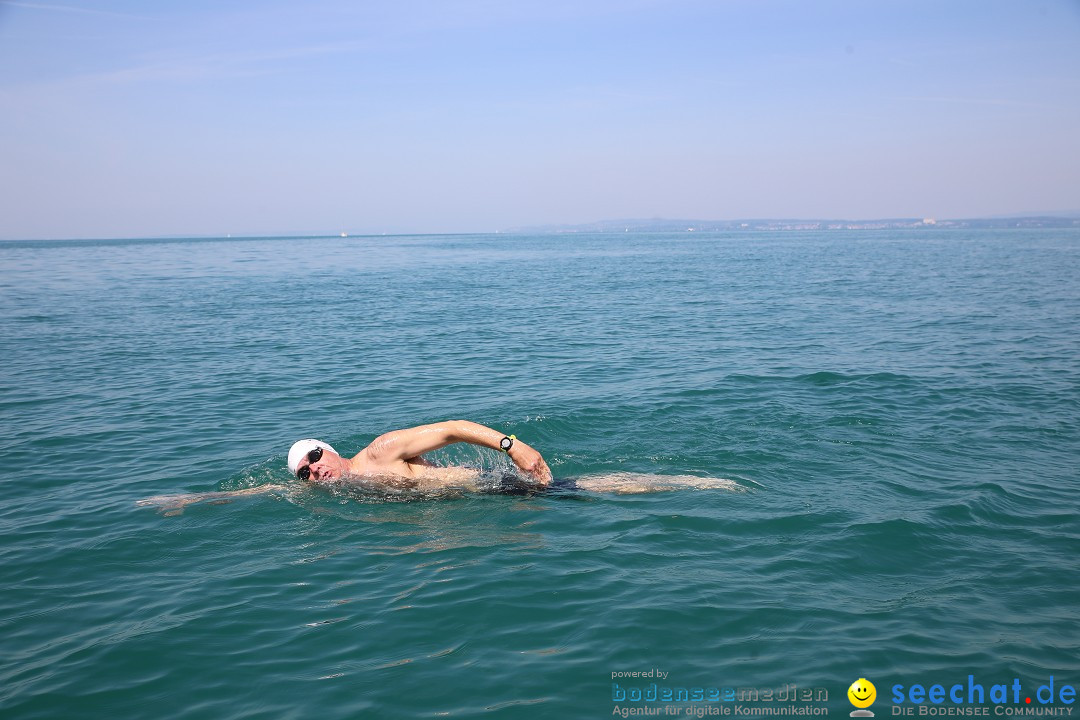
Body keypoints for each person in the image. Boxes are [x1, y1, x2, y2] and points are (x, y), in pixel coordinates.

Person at [287, 420, 552, 491]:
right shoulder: (346, 485)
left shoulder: (381, 451)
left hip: (503, 487)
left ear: (328, 450)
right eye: (304, 473)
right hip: (482, 508)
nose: (315, 469)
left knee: (583, 491)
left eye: (315, 456)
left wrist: (513, 446)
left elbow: (452, 429)